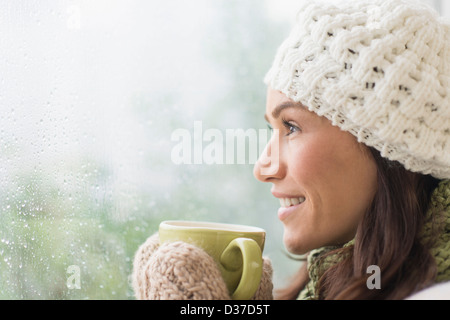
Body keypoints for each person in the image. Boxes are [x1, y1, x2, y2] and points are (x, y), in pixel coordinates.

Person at [132, 0, 450, 300]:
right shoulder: (339, 280)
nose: (262, 168)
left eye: (292, 127)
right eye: (272, 129)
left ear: (386, 145)